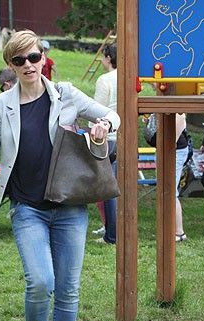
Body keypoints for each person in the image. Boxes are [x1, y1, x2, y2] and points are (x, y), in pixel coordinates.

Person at [0, 30, 120, 321]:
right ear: (11, 64)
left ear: (43, 57)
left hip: (69, 206)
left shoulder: (66, 94)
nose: (28, 65)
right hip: (28, 207)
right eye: (19, 60)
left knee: (68, 289)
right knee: (40, 282)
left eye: (33, 57)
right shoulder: (0, 105)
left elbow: (114, 117)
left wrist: (103, 127)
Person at [144, 108, 191, 241]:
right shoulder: (162, 103)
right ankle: (167, 230)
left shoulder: (176, 108)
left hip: (174, 150)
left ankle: (179, 232)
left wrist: (168, 146)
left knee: (170, 192)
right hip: (164, 148)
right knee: (164, 190)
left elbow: (180, 120)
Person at [92, 43, 118, 245]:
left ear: (109, 58)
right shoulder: (128, 78)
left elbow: (97, 111)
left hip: (108, 138)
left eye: (103, 56)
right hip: (125, 137)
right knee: (117, 187)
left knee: (107, 189)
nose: (101, 60)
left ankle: (111, 234)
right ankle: (113, 228)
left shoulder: (105, 80)